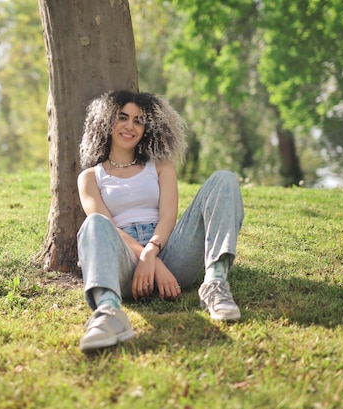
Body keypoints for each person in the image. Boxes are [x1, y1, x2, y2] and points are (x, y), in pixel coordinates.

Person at [76, 90, 245, 352]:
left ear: (147, 127)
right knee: (94, 223)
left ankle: (215, 284)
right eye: (122, 118)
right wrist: (143, 258)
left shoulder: (160, 165)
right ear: (106, 122)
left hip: (169, 252)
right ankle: (109, 312)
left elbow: (168, 217)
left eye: (138, 120)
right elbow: (105, 225)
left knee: (224, 179)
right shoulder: (89, 177)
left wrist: (153, 254)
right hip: (125, 263)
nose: (130, 126)